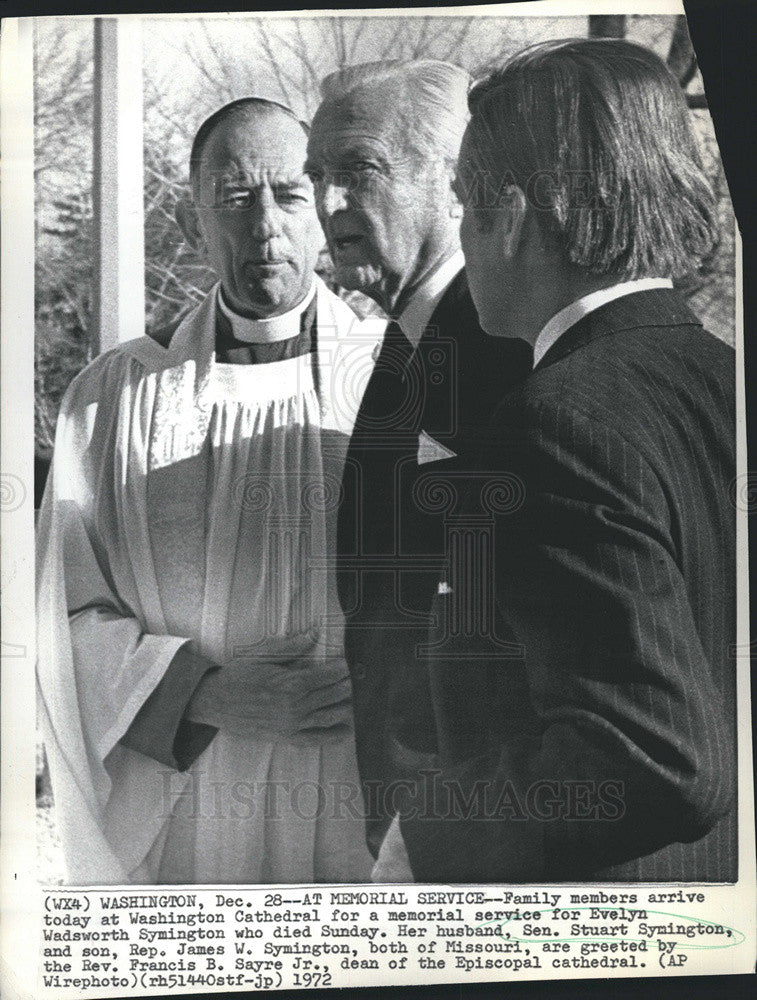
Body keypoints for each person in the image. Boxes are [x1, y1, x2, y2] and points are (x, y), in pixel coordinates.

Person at [382, 39, 737, 882]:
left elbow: (651, 760)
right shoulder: (726, 380)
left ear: (508, 217)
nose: (464, 242)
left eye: (465, 206)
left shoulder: (552, 424)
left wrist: (430, 842)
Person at [36, 97, 382, 884]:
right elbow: (60, 612)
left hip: (353, 784)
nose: (264, 226)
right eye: (233, 199)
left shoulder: (400, 377)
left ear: (324, 210)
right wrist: (205, 694)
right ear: (195, 217)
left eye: (289, 196)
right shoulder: (112, 394)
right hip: (189, 792)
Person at [305, 61, 532, 865]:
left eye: (358, 169)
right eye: (317, 176)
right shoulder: (407, 343)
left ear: (450, 177)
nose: (327, 206)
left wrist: (440, 828)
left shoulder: (502, 348)